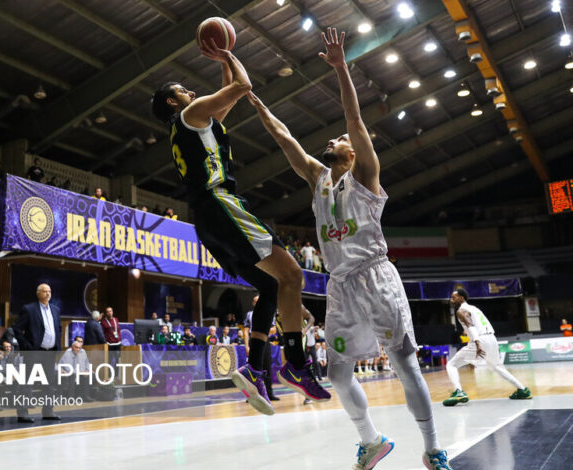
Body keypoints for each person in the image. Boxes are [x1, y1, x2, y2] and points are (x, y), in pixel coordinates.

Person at [247, 28, 449, 469]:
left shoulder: (367, 176)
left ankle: (433, 449)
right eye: (336, 138)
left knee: (404, 363)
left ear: (354, 154)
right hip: (341, 286)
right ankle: (372, 440)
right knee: (337, 373)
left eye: (341, 139)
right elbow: (285, 140)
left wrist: (341, 69)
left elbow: (356, 122)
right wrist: (256, 102)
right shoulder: (319, 179)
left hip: (376, 276)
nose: (336, 139)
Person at [151, 37, 325, 416]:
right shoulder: (190, 114)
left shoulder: (197, 124)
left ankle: (256, 365)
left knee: (271, 284)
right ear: (171, 101)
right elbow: (242, 89)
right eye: (183, 90)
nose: (191, 91)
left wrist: (221, 64)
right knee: (293, 274)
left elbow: (226, 99)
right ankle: (295, 363)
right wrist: (230, 55)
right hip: (221, 203)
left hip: (208, 219)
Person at [444, 288, 532, 407]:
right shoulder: (475, 308)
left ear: (461, 298)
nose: (451, 300)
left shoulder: (461, 310)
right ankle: (523, 390)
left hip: (480, 340)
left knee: (451, 365)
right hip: (492, 338)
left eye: (454, 297)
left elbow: (471, 326)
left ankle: (458, 392)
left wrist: (477, 342)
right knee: (497, 366)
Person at [13, 283, 62, 423]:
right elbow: (17, 329)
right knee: (27, 382)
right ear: (38, 293)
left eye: (49, 291)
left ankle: (48, 411)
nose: (48, 293)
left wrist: (57, 344)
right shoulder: (29, 309)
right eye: (44, 291)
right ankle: (22, 413)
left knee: (50, 383)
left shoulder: (55, 309)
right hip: (34, 351)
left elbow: (58, 328)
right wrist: (27, 346)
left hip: (50, 351)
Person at [100, 307, 122, 373]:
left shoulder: (116, 319)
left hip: (118, 343)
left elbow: (118, 330)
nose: (109, 313)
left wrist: (120, 339)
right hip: (109, 344)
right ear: (106, 313)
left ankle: (116, 375)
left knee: (118, 360)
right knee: (109, 360)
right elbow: (102, 333)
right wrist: (105, 342)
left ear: (112, 312)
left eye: (110, 311)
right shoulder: (103, 322)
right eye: (108, 311)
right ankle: (109, 375)